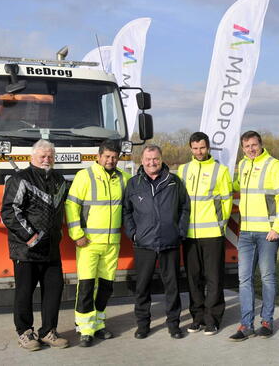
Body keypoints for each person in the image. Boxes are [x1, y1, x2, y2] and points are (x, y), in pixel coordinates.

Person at [1, 140, 69, 351]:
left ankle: (48, 330)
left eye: (50, 156)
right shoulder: (19, 179)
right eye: (42, 156)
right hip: (26, 248)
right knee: (24, 292)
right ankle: (24, 332)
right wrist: (30, 236)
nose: (47, 159)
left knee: (54, 290)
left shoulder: (60, 180)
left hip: (51, 249)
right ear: (32, 157)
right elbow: (9, 211)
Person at [65, 140, 131, 347]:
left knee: (106, 286)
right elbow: (71, 205)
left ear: (118, 158)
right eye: (107, 156)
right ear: (98, 156)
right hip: (88, 243)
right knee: (85, 286)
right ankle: (85, 329)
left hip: (112, 243)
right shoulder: (84, 176)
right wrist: (77, 234)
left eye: (114, 157)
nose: (111, 160)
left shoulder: (124, 178)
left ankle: (99, 324)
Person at [123, 145, 190, 340]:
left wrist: (180, 231)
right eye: (148, 159)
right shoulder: (133, 184)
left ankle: (174, 324)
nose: (152, 163)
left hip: (170, 242)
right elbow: (126, 211)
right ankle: (143, 325)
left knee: (173, 286)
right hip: (144, 243)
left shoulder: (174, 182)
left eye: (156, 159)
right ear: (141, 161)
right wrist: (133, 233)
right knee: (142, 286)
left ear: (161, 160)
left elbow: (185, 207)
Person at [228, 131, 279, 341]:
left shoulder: (274, 165)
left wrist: (278, 228)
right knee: (244, 279)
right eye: (246, 146)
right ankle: (246, 325)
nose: (251, 149)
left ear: (261, 144)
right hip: (245, 232)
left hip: (267, 233)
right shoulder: (243, 165)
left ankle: (266, 321)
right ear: (242, 148)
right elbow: (237, 186)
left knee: (267, 278)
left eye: (254, 145)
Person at [176, 132, 232, 336]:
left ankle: (213, 319)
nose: (199, 152)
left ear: (208, 148)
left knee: (214, 278)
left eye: (202, 148)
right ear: (191, 148)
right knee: (193, 278)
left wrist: (220, 226)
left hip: (212, 234)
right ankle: (197, 318)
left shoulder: (220, 170)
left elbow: (226, 201)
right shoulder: (183, 170)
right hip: (190, 235)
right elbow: (180, 201)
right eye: (195, 148)